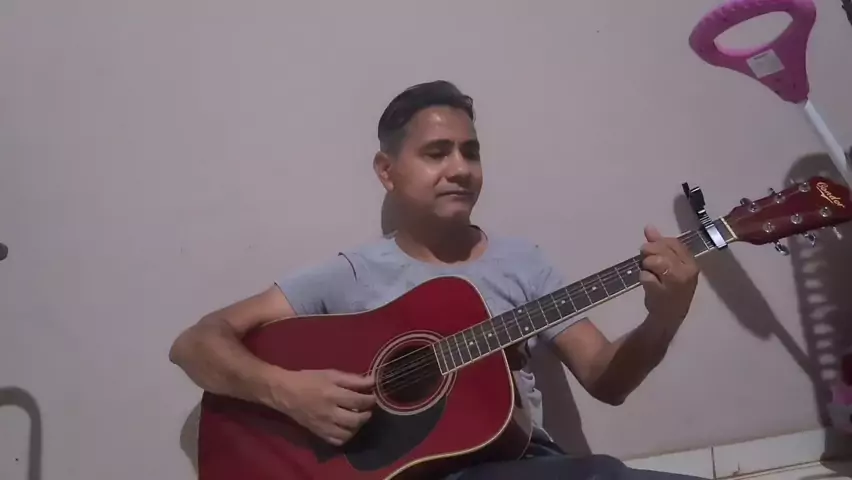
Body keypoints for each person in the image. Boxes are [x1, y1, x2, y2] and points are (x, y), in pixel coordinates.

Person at [169, 80, 706, 479]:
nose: (460, 168)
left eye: (471, 152)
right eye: (436, 153)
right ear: (387, 171)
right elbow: (194, 344)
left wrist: (664, 318)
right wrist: (289, 392)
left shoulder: (524, 264)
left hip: (514, 465)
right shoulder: (350, 273)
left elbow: (606, 381)